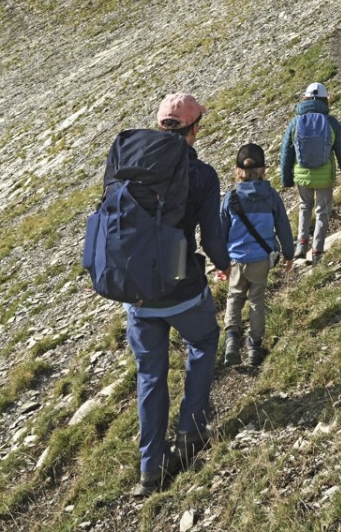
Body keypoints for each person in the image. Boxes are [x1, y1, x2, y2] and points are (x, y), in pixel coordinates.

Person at [125, 92, 230, 497]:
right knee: (203, 341)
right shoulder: (202, 174)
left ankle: (150, 466)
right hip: (182, 286)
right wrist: (224, 264)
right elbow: (213, 239)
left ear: (160, 126)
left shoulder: (132, 169)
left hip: (137, 294)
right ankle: (191, 430)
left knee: (150, 372)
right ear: (194, 129)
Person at [216, 143, 294, 368]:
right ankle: (254, 347)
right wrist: (289, 254)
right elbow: (283, 227)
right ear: (263, 170)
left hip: (236, 260)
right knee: (257, 301)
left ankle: (231, 341)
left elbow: (220, 233)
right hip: (260, 259)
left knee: (234, 297)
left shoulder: (230, 199)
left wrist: (221, 262)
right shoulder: (271, 196)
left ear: (237, 171)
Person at [279, 82, 341, 264]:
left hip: (302, 176)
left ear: (305, 99)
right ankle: (317, 252)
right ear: (325, 100)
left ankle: (301, 243)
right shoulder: (331, 123)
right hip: (324, 176)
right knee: (322, 211)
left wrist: (286, 178)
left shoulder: (295, 123)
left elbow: (286, 152)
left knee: (304, 206)